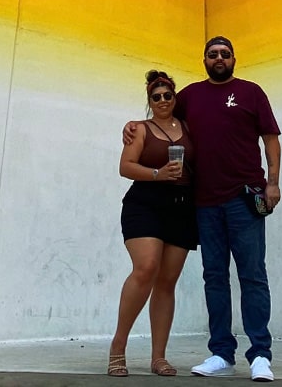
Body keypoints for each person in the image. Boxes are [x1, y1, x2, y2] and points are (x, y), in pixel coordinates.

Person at [124, 37, 281, 382]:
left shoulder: (252, 92)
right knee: (214, 278)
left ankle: (260, 355)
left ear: (234, 58)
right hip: (204, 203)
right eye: (213, 54)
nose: (219, 58)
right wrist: (132, 125)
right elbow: (161, 118)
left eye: (225, 54)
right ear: (205, 60)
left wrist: (273, 182)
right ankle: (221, 353)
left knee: (253, 276)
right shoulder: (191, 96)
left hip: (245, 198)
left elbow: (271, 138)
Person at [108, 70, 198, 377]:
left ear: (175, 98)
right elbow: (125, 167)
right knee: (146, 268)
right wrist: (158, 173)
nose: (162, 100)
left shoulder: (187, 126)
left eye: (167, 95)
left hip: (181, 206)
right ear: (149, 101)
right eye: (155, 97)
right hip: (145, 203)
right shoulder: (140, 129)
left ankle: (158, 357)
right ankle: (118, 346)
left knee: (167, 281)